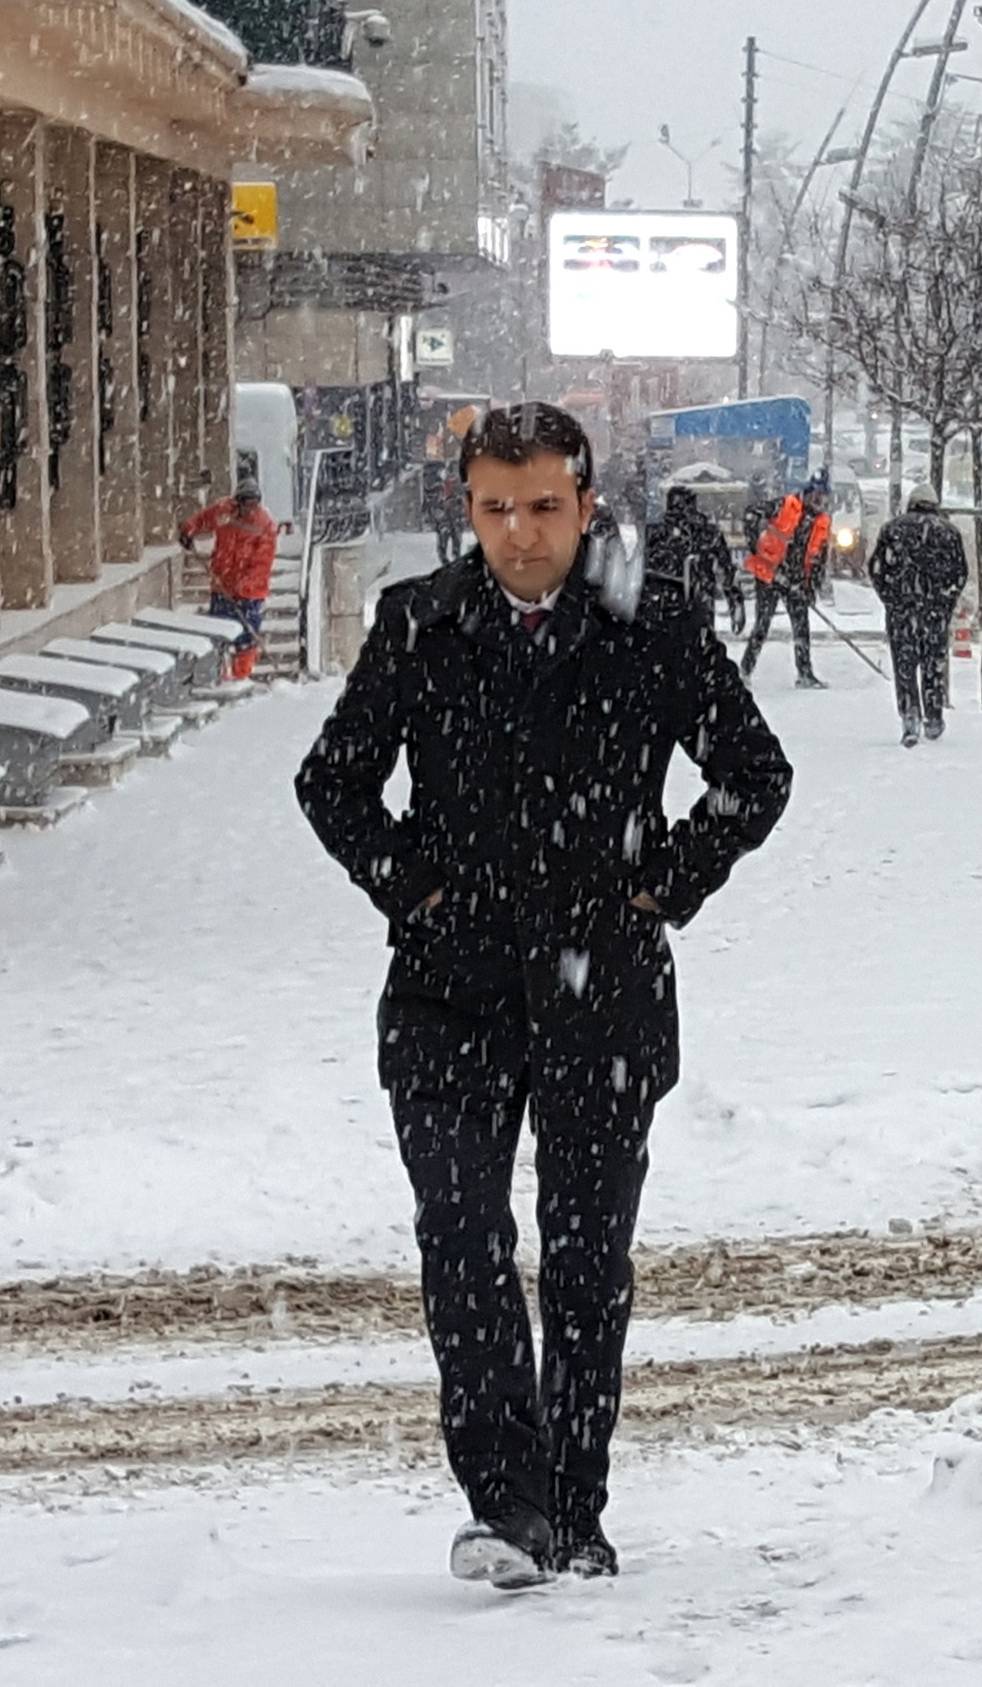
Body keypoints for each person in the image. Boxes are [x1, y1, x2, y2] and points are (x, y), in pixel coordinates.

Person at [295, 402, 792, 1589]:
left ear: (584, 503)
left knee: (582, 1265)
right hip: (448, 1000)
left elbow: (754, 775)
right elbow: (333, 784)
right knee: (461, 1247)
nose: (520, 535)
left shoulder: (651, 628)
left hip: (601, 1001)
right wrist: (413, 892)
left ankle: (574, 1510)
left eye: (543, 508)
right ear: (466, 509)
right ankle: (504, 1503)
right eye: (494, 508)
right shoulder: (423, 626)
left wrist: (654, 889)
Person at [867, 491, 969, 746]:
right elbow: (960, 573)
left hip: (902, 611)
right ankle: (934, 717)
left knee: (905, 666)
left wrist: (891, 600)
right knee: (933, 665)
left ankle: (910, 715)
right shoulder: (949, 533)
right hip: (935, 613)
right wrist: (945, 603)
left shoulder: (892, 530)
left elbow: (876, 569)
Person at [177, 476, 279, 680]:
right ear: (237, 502)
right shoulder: (224, 511)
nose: (250, 509)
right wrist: (188, 530)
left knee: (246, 639)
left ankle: (241, 676)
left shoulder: (266, 525)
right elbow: (202, 520)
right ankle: (219, 676)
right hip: (221, 586)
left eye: (254, 504)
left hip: (250, 594)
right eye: (246, 504)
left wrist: (241, 587)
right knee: (219, 635)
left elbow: (261, 564)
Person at [741, 476, 833, 687]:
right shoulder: (785, 505)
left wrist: (811, 588)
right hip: (769, 575)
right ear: (808, 493)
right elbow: (751, 514)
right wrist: (755, 545)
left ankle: (805, 674)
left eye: (824, 499)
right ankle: (745, 670)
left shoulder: (821, 523)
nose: (820, 503)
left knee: (802, 628)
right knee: (762, 625)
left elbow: (818, 560)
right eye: (817, 497)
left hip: (797, 581)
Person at [649, 484, 737, 633]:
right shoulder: (707, 533)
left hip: (671, 601)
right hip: (689, 599)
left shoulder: (657, 533)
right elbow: (726, 568)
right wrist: (733, 600)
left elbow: (642, 570)